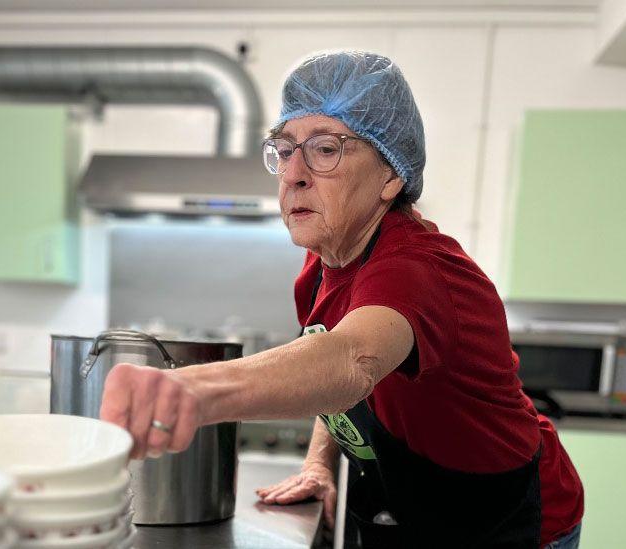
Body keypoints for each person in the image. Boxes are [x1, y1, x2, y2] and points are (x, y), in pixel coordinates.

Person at [99, 50, 584, 548]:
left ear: (391, 175)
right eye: (285, 150)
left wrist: (190, 391)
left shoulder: (416, 271)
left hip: (513, 517)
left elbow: (348, 360)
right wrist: (317, 462)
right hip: (423, 503)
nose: (293, 174)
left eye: (326, 149)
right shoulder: (324, 261)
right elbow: (325, 363)